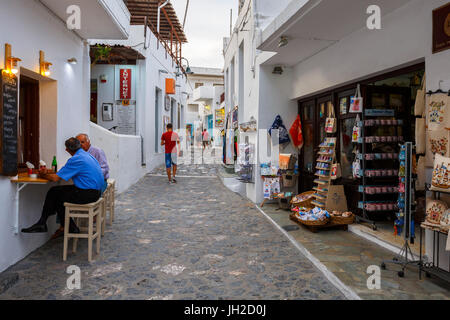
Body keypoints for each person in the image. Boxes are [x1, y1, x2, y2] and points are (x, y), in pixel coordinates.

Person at [21, 138, 105, 239]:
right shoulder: (87, 155)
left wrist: (42, 174)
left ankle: (42, 222)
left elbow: (55, 178)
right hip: (96, 192)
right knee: (59, 196)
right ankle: (69, 227)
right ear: (80, 146)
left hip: (87, 194)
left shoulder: (76, 159)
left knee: (54, 192)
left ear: (67, 150)